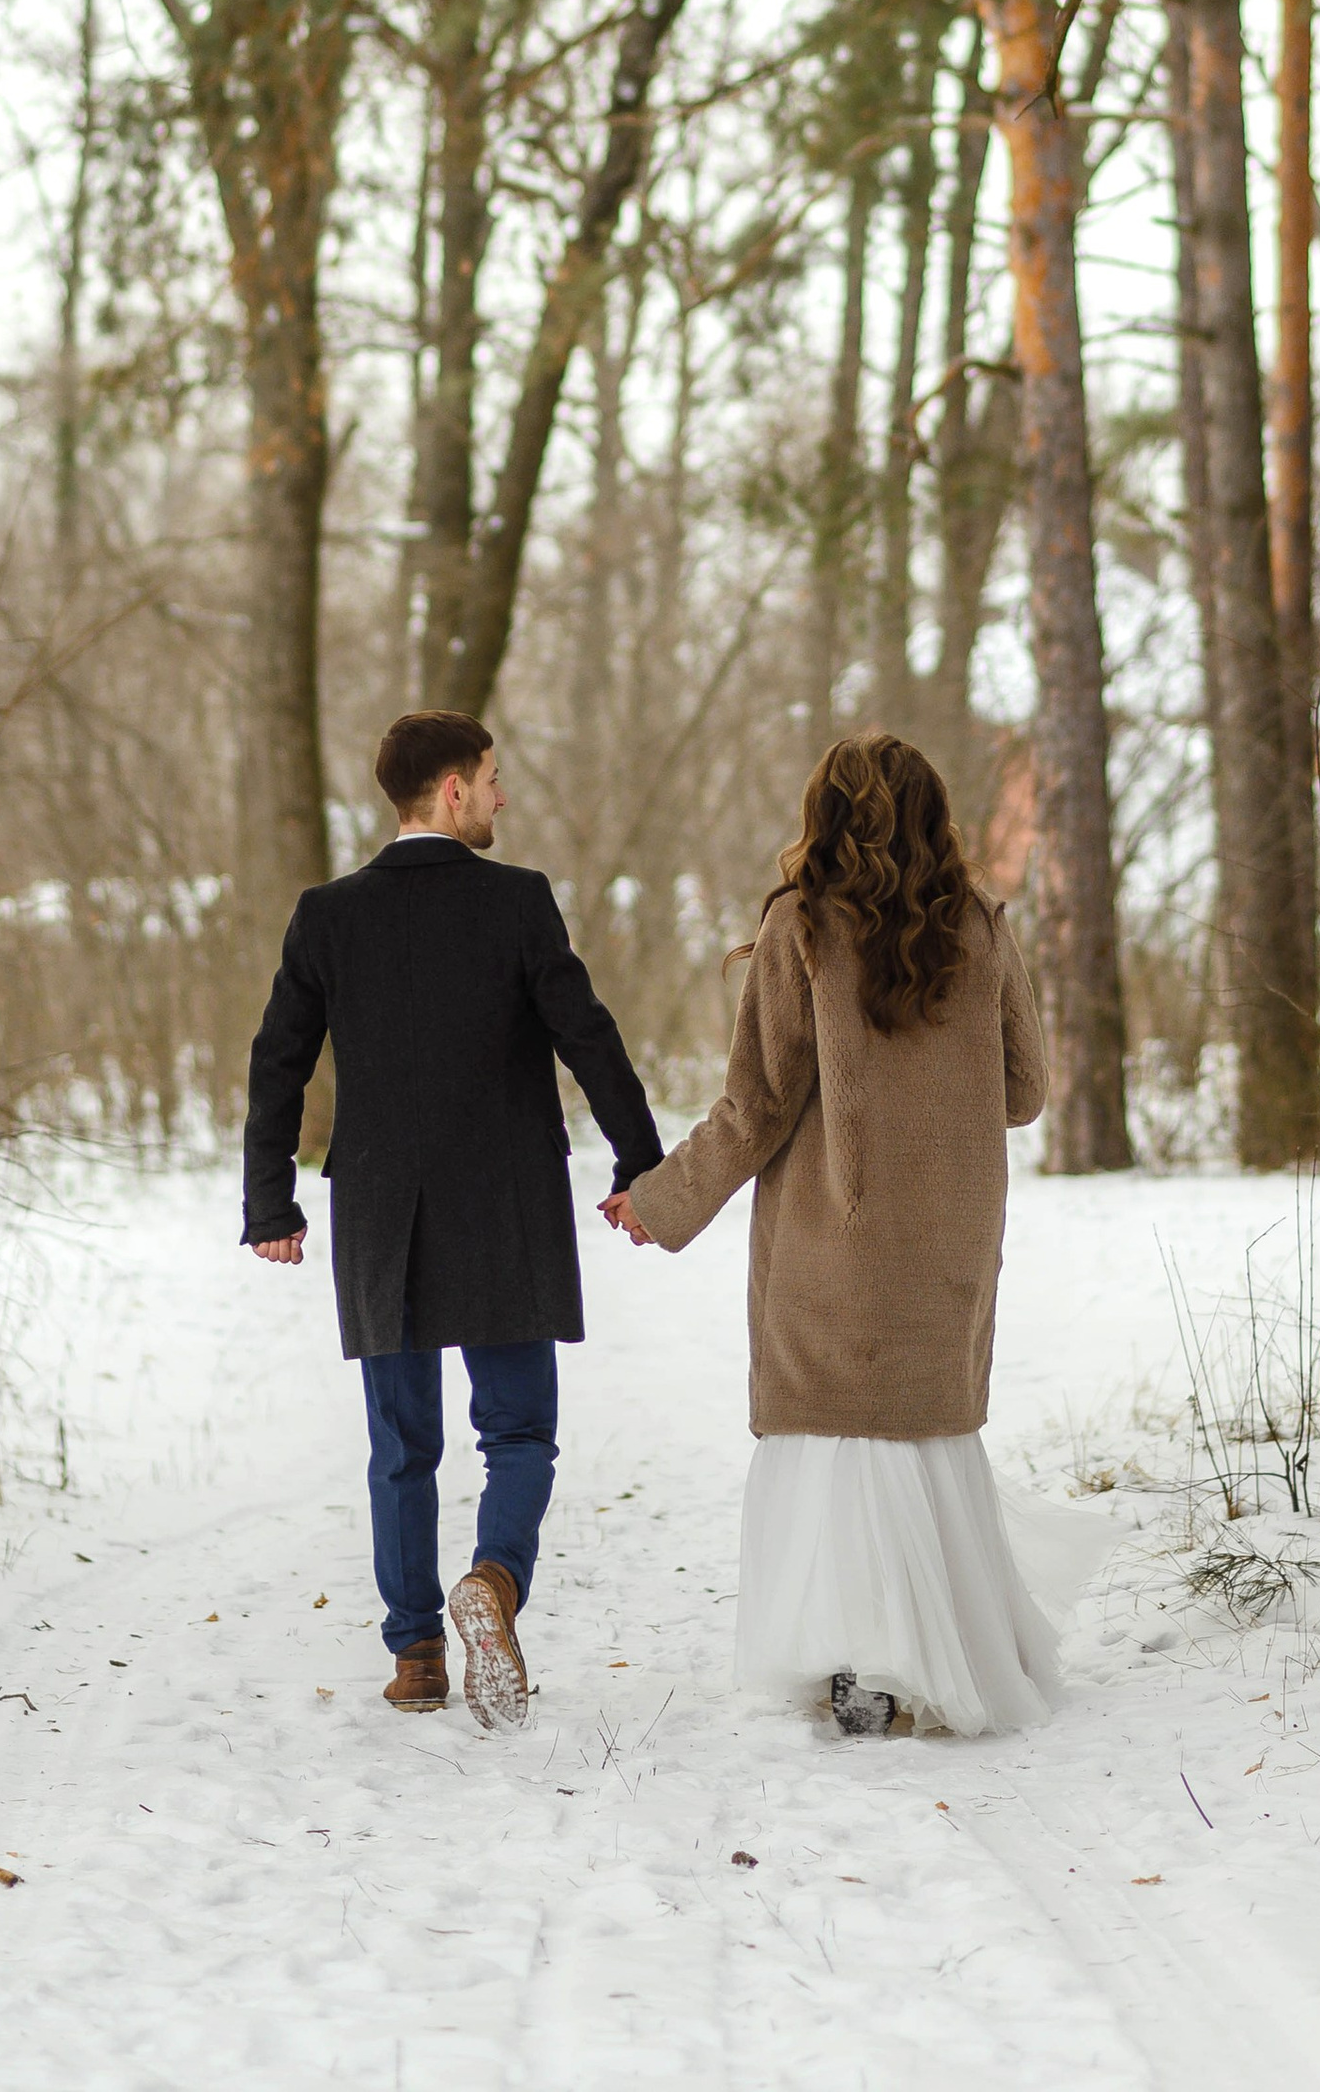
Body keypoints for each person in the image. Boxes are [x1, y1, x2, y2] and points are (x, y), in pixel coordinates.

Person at [604, 731, 1064, 1740]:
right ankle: (949, 1650)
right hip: (946, 1233)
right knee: (922, 1437)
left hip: (835, 1235)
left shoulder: (803, 929)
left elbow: (756, 1105)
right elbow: (1025, 1092)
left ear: (826, 815)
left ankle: (862, 1663)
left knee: (840, 1445)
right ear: (933, 815)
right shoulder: (980, 929)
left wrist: (659, 1199)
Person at [242, 709, 664, 1727]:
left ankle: (418, 1653)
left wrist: (270, 1199)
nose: (501, 796)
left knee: (401, 1444)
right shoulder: (518, 902)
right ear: (450, 791)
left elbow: (277, 1059)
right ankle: (495, 1583)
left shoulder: (327, 914)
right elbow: (586, 1034)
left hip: (384, 1203)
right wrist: (639, 1159)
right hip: (507, 1196)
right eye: (489, 778)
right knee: (519, 1431)